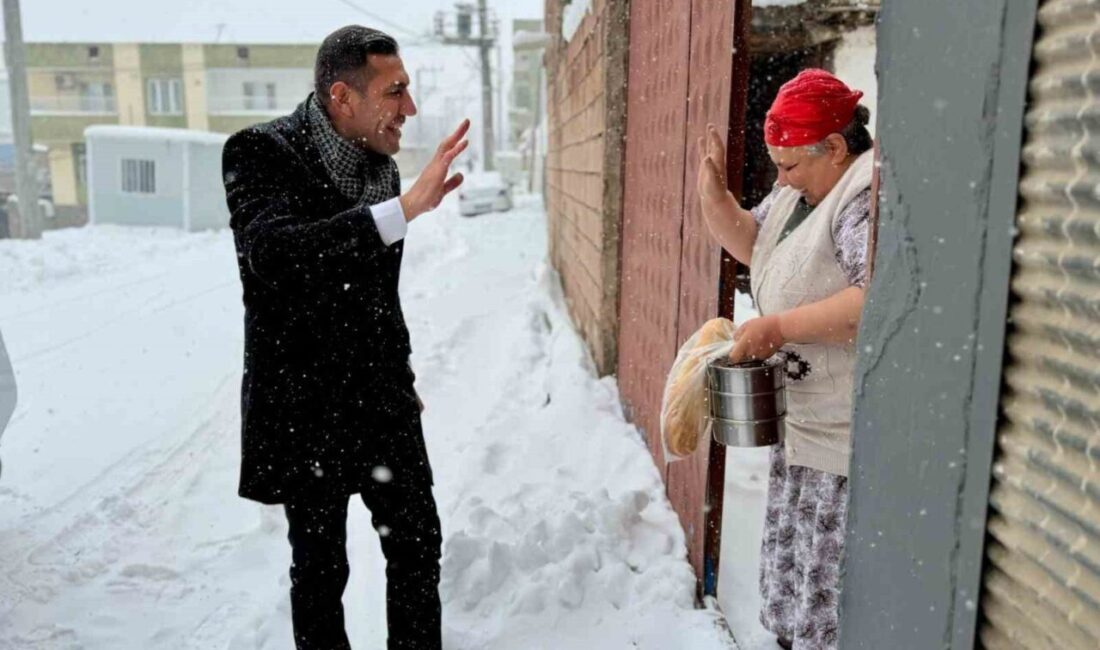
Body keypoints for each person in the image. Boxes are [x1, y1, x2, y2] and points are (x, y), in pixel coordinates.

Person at [222, 25, 468, 650]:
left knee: (417, 547)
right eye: (395, 91)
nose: (409, 108)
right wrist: (402, 211)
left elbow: (377, 298)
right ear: (342, 96)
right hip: (305, 407)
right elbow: (275, 254)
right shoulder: (260, 152)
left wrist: (401, 378)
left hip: (380, 400)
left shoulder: (378, 170)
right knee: (320, 568)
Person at [696, 69, 874, 650]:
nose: (781, 178)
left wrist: (778, 328)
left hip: (843, 439)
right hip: (804, 428)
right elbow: (760, 244)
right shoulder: (800, 193)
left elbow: (874, 298)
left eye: (790, 164)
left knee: (830, 601)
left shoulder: (863, 199)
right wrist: (715, 197)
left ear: (835, 147)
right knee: (797, 593)